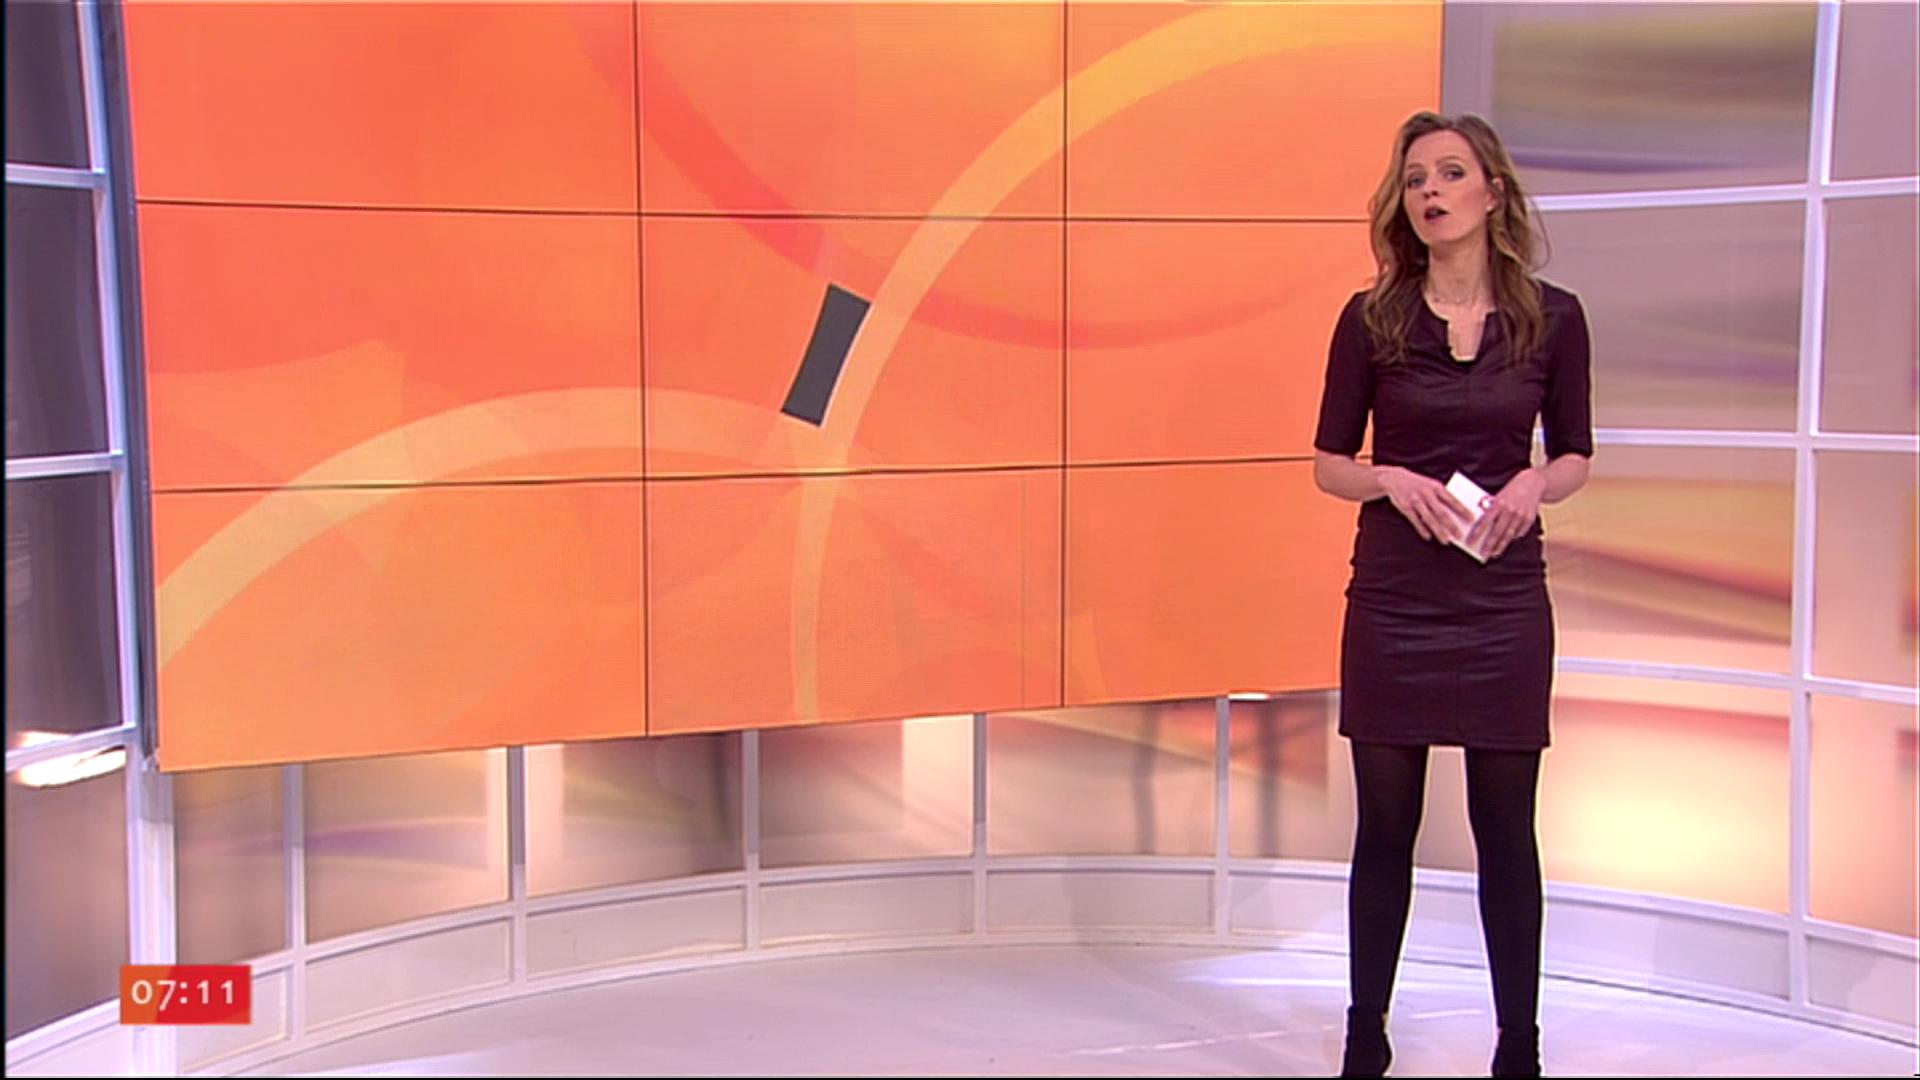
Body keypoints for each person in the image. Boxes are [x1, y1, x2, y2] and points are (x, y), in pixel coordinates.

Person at [1311, 111, 1594, 1078]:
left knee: (1505, 830)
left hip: (1503, 600)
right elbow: (1328, 465)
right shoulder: (1372, 319)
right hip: (1395, 599)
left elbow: (1576, 455)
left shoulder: (1555, 318)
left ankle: (1519, 1048)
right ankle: (1366, 1038)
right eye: (1416, 179)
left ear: (1492, 192)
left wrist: (1533, 483)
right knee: (1385, 827)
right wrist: (1389, 479)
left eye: (1450, 174)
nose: (1430, 192)